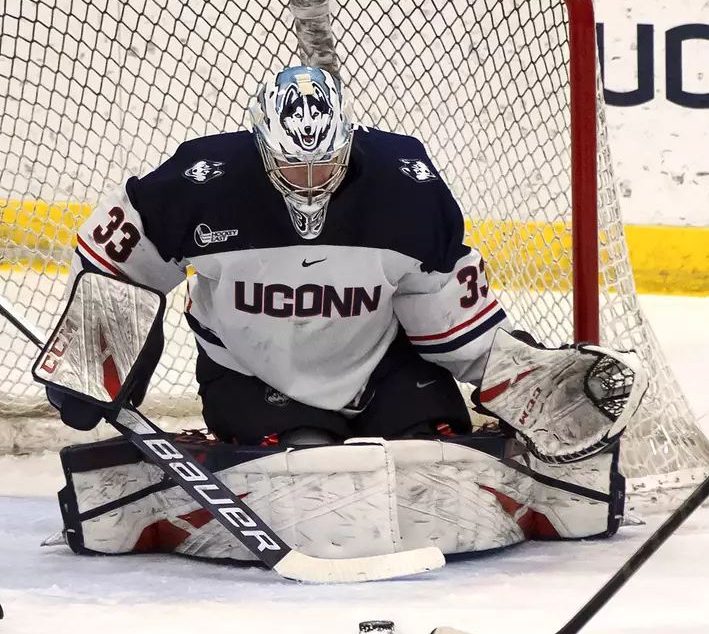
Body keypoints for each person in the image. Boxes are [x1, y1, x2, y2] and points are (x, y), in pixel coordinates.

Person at [67, 64, 513, 447]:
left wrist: (512, 375)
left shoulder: (402, 185)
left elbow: (439, 291)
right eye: (292, 165)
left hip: (382, 364)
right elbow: (114, 260)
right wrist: (95, 355)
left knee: (426, 452)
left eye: (323, 165)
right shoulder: (200, 183)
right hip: (250, 372)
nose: (309, 182)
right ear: (261, 146)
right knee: (306, 461)